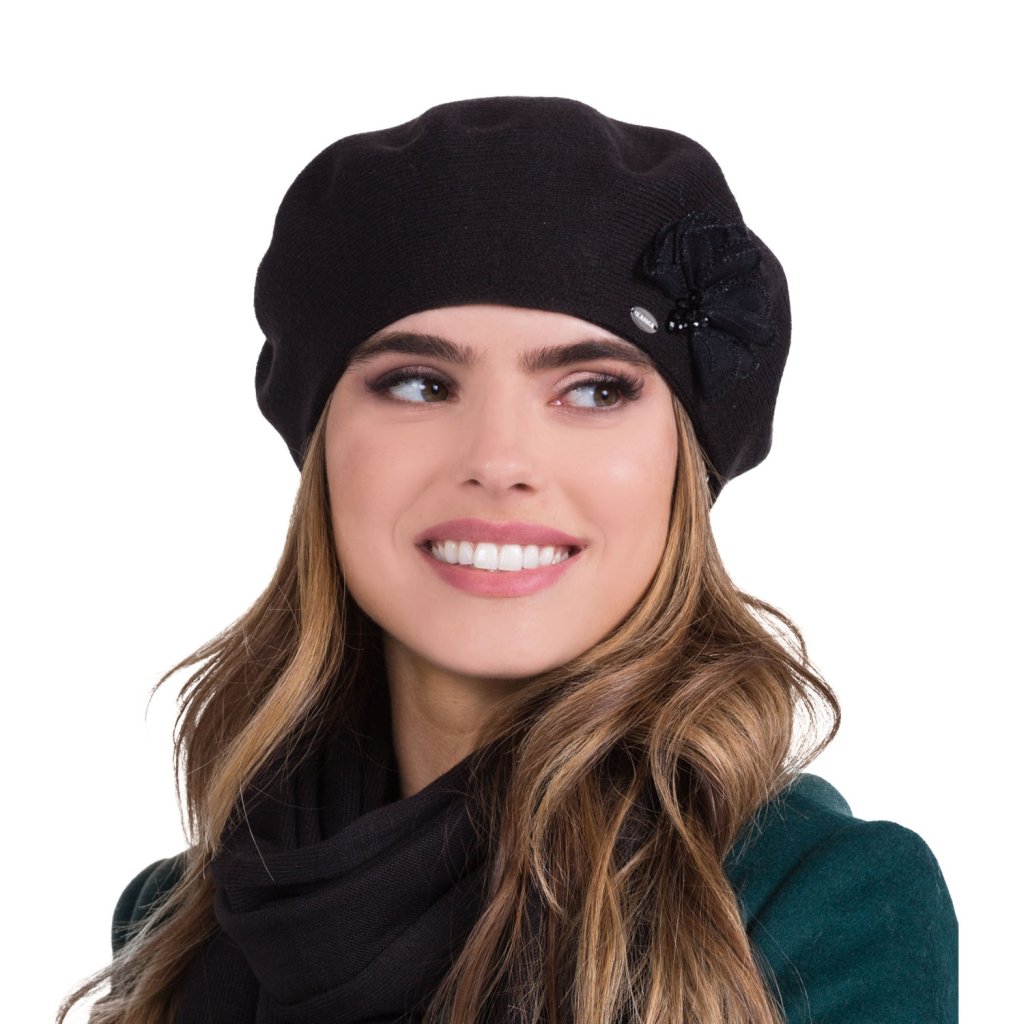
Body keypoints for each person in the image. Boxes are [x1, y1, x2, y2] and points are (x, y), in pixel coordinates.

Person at [60, 96, 957, 1024]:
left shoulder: (820, 905)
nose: (498, 461)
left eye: (593, 389)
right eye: (420, 383)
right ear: (323, 445)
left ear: (682, 465)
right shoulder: (177, 920)